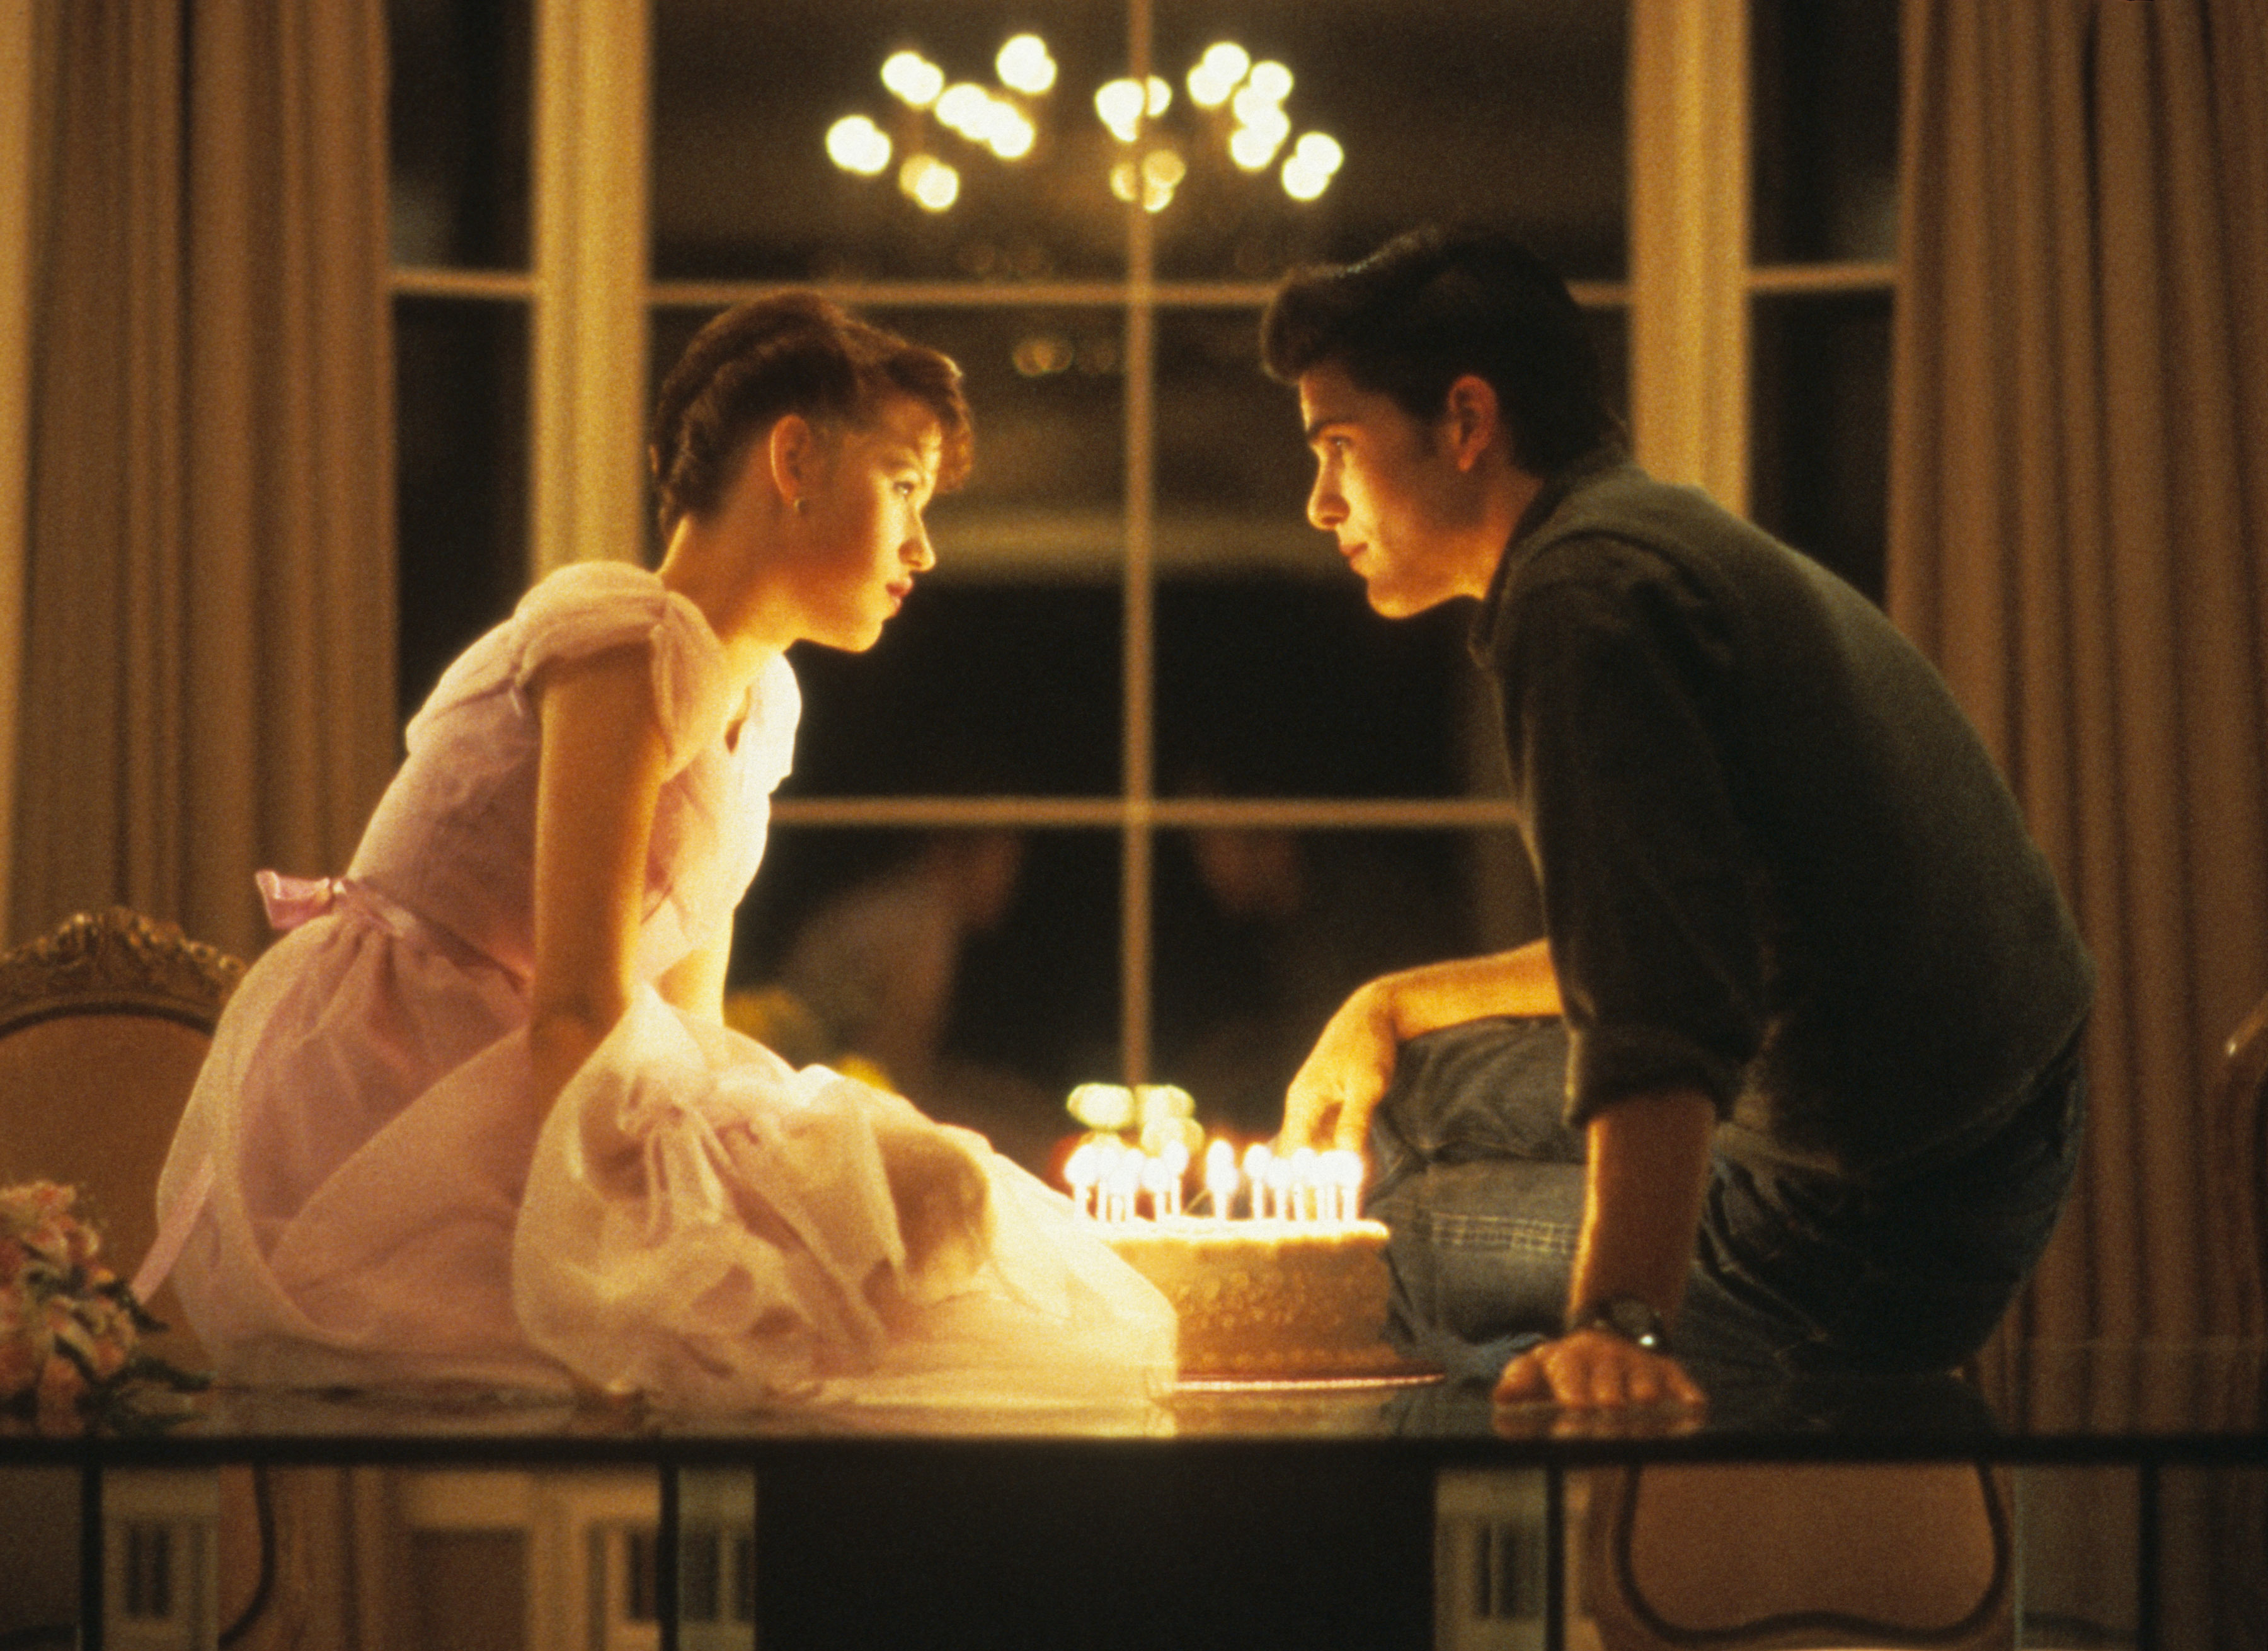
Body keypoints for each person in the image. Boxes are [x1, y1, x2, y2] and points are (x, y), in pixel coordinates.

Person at [142, 295, 1172, 1407]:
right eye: (904, 486)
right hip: (406, 1096)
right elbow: (576, 1011)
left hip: (560, 1079)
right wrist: (664, 1249)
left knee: (930, 1208)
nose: (922, 544)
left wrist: (758, 1193)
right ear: (794, 459)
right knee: (864, 1247)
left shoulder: (755, 700)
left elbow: (688, 1030)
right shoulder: (622, 639)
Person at [1261, 227, 2093, 1409]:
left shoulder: (1583, 603)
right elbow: (1686, 929)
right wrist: (1392, 1002)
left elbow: (1662, 1008)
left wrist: (1618, 1324)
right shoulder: (1634, 530)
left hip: (1871, 1214)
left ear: (1466, 421)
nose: (1318, 503)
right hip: (1983, 1128)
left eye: (1339, 448)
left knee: (1363, 1262)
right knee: (1398, 1097)